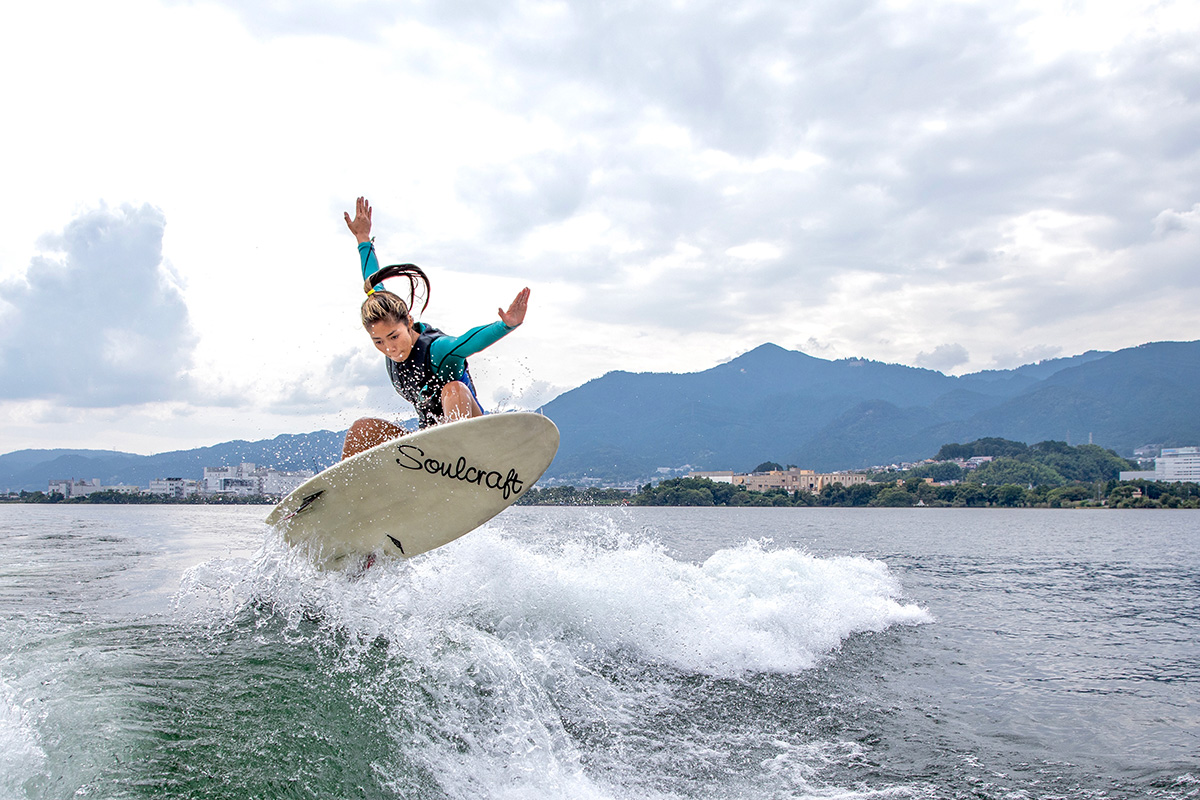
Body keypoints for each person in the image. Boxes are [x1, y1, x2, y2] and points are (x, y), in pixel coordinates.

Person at [341, 196, 529, 459]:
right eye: (379, 342)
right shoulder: (385, 318)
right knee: (361, 429)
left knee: (452, 389)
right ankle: (346, 495)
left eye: (393, 336)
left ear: (408, 320)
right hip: (431, 452)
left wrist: (506, 325)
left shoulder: (436, 350)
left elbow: (467, 342)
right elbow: (373, 281)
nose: (389, 347)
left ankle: (456, 457)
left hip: (474, 440)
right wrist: (362, 236)